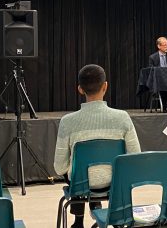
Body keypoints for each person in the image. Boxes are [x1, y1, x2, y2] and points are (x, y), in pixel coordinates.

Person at [54, 64, 141, 228]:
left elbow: (59, 168)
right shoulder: (123, 118)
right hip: (114, 182)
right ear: (105, 86)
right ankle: (107, 216)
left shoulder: (67, 122)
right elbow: (135, 157)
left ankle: (78, 221)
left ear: (80, 89)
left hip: (80, 184)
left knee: (74, 168)